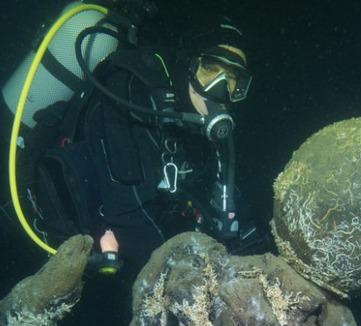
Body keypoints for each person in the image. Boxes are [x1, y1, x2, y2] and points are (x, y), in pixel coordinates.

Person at [14, 5, 258, 279]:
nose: (220, 89)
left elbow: (222, 192)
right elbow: (128, 216)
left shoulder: (199, 122)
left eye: (233, 79)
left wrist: (253, 256)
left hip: (153, 234)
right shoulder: (128, 94)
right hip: (63, 230)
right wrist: (208, 279)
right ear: (188, 63)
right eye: (210, 69)